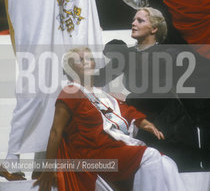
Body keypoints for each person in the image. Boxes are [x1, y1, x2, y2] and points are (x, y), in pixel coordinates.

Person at [0, 0, 113, 180]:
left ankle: (32, 162)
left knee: (46, 94)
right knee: (32, 94)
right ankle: (10, 160)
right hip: (34, 33)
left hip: (38, 31)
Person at [34, 47, 186, 191]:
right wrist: (48, 168)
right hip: (92, 155)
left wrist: (146, 124)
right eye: (81, 59)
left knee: (167, 164)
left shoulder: (101, 95)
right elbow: (55, 131)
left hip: (113, 148)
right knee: (150, 155)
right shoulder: (71, 91)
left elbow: (127, 112)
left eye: (90, 58)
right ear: (70, 69)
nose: (87, 61)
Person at [94, 7, 202, 171]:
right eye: (133, 19)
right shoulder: (126, 55)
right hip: (142, 123)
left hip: (171, 124)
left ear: (154, 29)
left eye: (140, 20)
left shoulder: (169, 53)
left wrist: (127, 98)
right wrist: (92, 34)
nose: (133, 23)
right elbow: (97, 79)